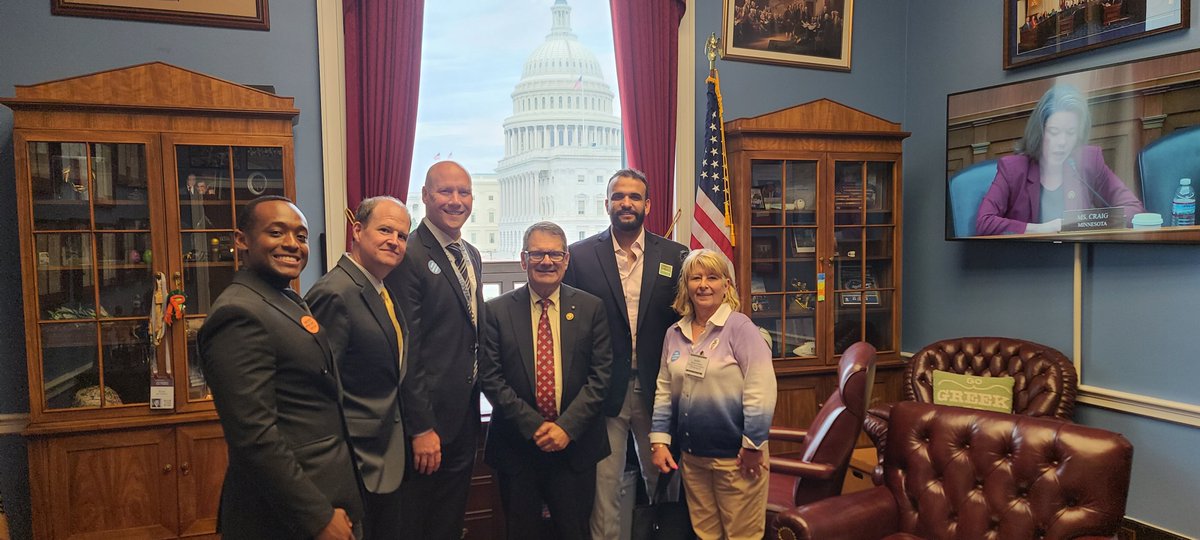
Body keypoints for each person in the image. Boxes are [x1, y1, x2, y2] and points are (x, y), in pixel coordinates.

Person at [199, 195, 362, 540]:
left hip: (324, 491)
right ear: (242, 240)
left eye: (301, 237)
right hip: (285, 516)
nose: (292, 244)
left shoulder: (282, 298)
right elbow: (254, 436)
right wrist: (316, 517)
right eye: (276, 233)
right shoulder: (238, 314)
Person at [562, 169, 688, 539]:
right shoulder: (580, 257)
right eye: (619, 196)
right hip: (603, 391)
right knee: (606, 485)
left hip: (659, 391)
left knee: (664, 478)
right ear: (607, 204)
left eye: (635, 197)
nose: (626, 203)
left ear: (648, 205)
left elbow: (687, 318)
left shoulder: (675, 255)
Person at [478, 221, 613, 540]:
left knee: (574, 531)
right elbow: (491, 377)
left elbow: (602, 375)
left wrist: (566, 427)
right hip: (517, 446)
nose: (547, 262)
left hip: (575, 447)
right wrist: (536, 427)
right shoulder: (495, 311)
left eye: (555, 254)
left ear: (566, 260)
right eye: (538, 254)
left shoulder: (591, 308)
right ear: (524, 260)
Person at [384, 161, 484, 540]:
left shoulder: (470, 254)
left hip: (464, 417)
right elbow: (406, 348)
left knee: (449, 519)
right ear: (425, 196)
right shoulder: (408, 255)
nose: (455, 201)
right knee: (419, 522)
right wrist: (422, 425)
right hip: (427, 426)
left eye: (463, 192)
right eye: (445, 192)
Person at [650, 249, 778, 540]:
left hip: (738, 458)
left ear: (726, 285)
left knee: (741, 535)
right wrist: (659, 441)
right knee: (705, 533)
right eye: (695, 277)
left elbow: (762, 388)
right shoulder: (674, 333)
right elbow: (665, 388)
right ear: (686, 286)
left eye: (712, 277)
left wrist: (753, 445)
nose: (703, 284)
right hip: (693, 458)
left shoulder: (741, 328)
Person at [306, 196, 411, 539]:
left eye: (402, 235)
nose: (394, 241)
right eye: (385, 230)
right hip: (353, 466)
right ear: (357, 230)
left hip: (385, 458)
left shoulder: (378, 288)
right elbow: (317, 392)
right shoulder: (335, 293)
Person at [976, 84, 1144, 235]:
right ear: (1039, 132)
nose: (1062, 142)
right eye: (1054, 132)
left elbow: (1134, 210)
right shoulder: (1013, 169)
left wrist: (1086, 223)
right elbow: (984, 222)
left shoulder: (1089, 162)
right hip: (1025, 263)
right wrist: (1040, 229)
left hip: (1077, 257)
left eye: (1070, 133)